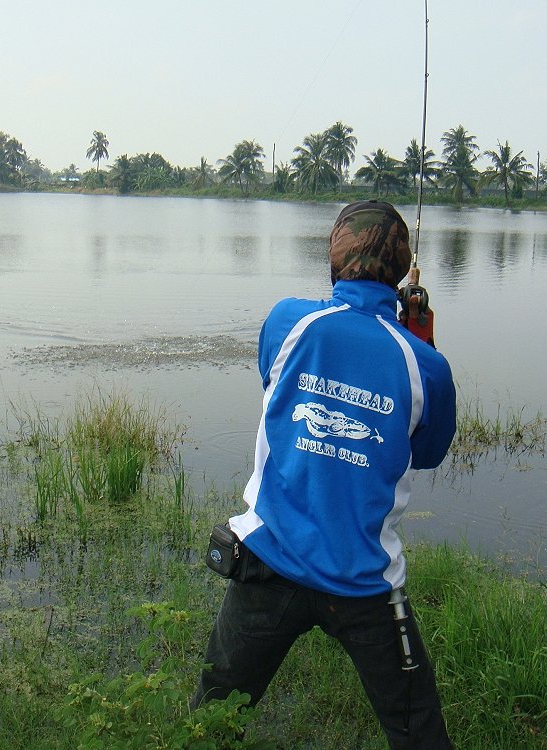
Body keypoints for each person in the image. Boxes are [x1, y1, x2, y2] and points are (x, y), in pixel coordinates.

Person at [192, 200, 457, 749]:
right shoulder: (425, 366)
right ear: (400, 270)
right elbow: (427, 451)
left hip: (268, 562)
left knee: (211, 718)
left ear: (334, 261)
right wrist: (413, 339)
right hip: (365, 585)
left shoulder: (288, 321)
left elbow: (275, 381)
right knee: (418, 733)